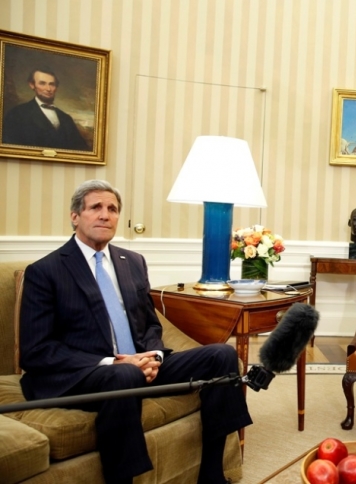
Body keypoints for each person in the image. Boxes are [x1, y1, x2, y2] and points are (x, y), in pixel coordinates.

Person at [19, 180, 252, 484]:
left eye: (113, 209)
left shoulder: (132, 262)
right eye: (96, 207)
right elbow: (37, 350)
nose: (105, 215)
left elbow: (151, 324)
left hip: (141, 364)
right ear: (75, 216)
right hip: (84, 373)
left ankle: (212, 472)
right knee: (125, 376)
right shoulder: (46, 271)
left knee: (221, 356)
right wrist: (114, 363)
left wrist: (154, 355)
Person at [2, 67, 90, 150]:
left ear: (56, 87)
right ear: (32, 85)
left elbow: (82, 150)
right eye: (42, 83)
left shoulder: (66, 118)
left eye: (52, 84)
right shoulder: (17, 114)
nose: (48, 89)